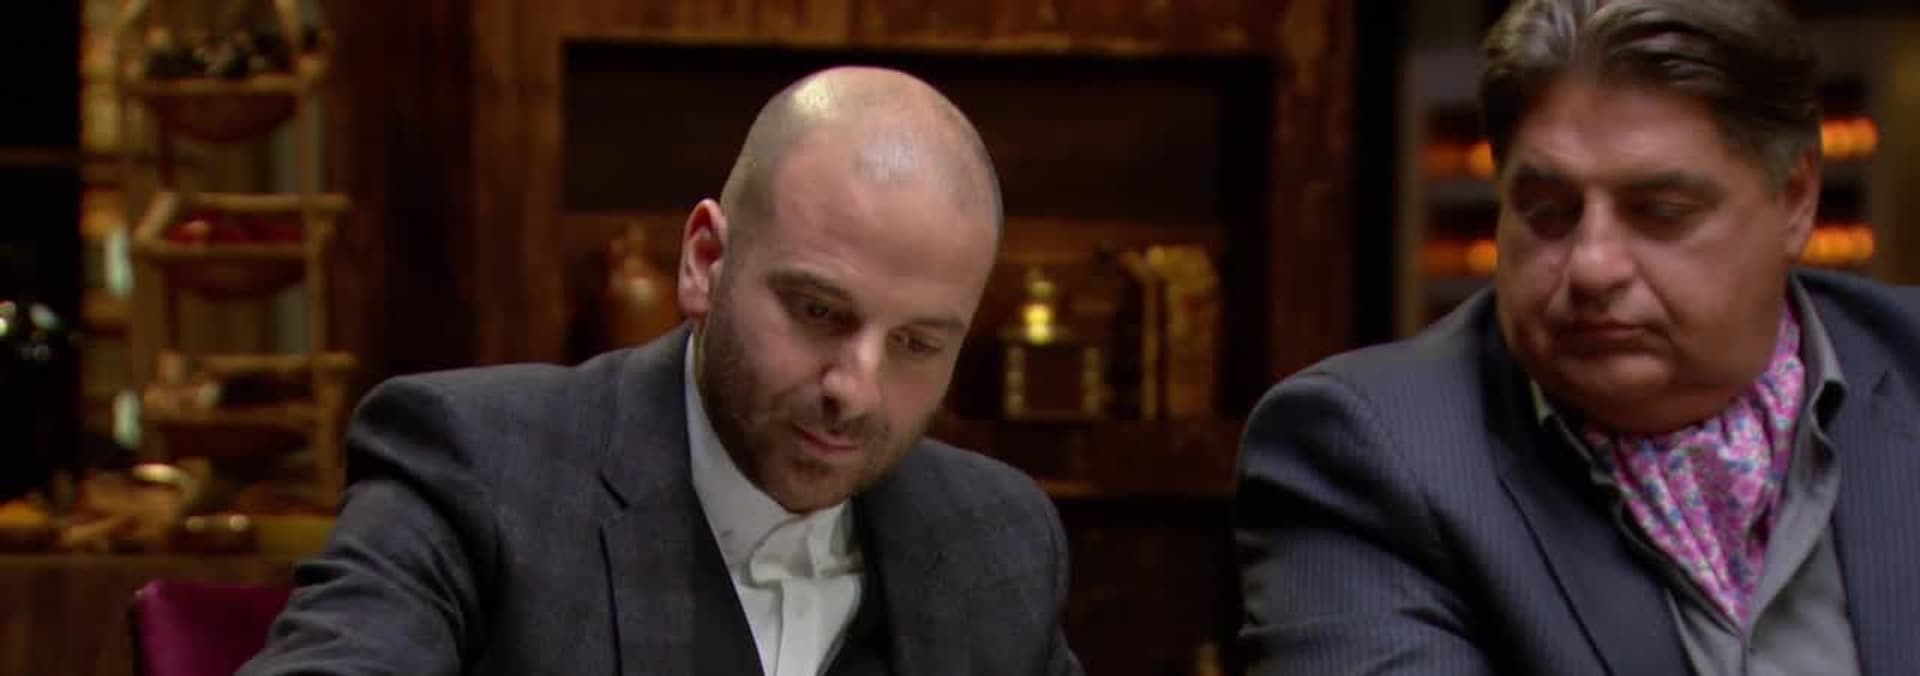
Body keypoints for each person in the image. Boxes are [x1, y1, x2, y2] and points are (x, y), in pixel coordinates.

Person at [241, 66, 1082, 676]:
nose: (854, 390)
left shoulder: (997, 537)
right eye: (818, 311)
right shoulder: (472, 467)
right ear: (705, 261)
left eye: (917, 346)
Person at [1234, 1, 1920, 674]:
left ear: (1796, 198)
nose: (1592, 267)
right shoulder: (1364, 454)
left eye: (1660, 212)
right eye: (1548, 212)